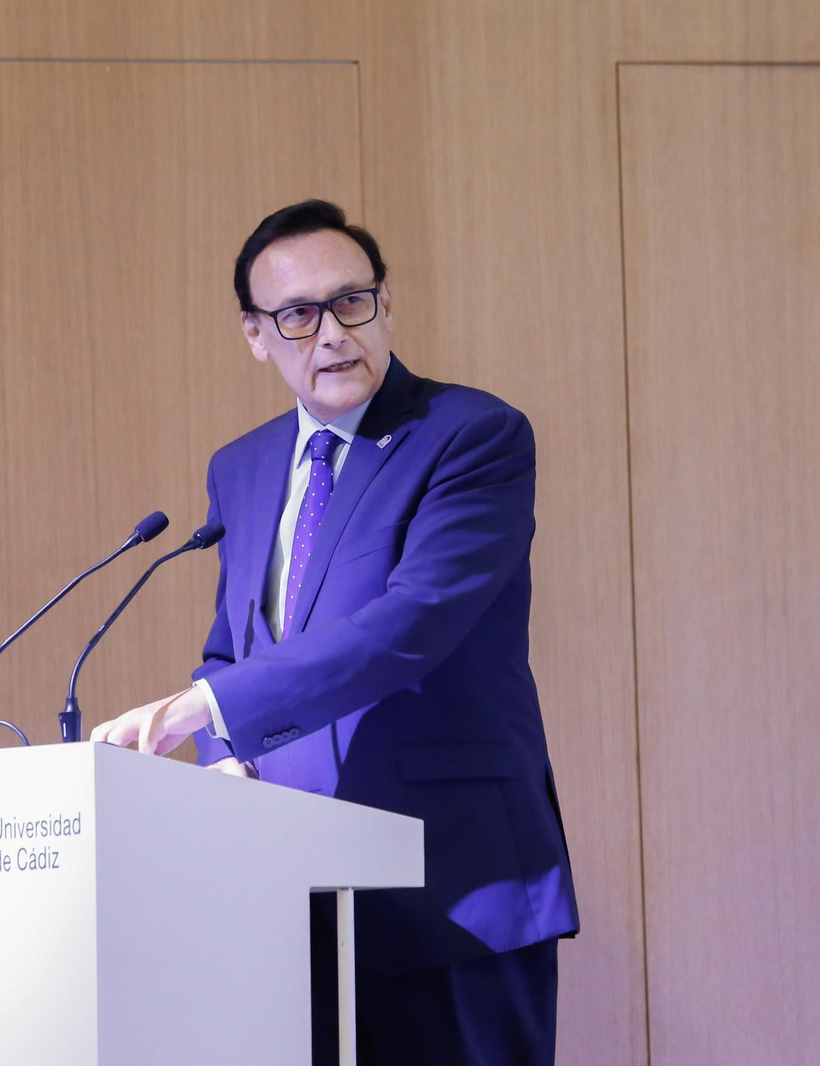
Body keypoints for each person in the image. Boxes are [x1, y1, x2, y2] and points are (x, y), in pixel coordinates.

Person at [91, 200, 578, 1065]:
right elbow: (232, 649)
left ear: (384, 304)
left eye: (352, 302)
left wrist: (204, 709)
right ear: (255, 334)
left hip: (453, 883)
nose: (332, 335)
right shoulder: (240, 468)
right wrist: (223, 759)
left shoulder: (471, 436)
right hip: (290, 899)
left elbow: (411, 622)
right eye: (298, 315)